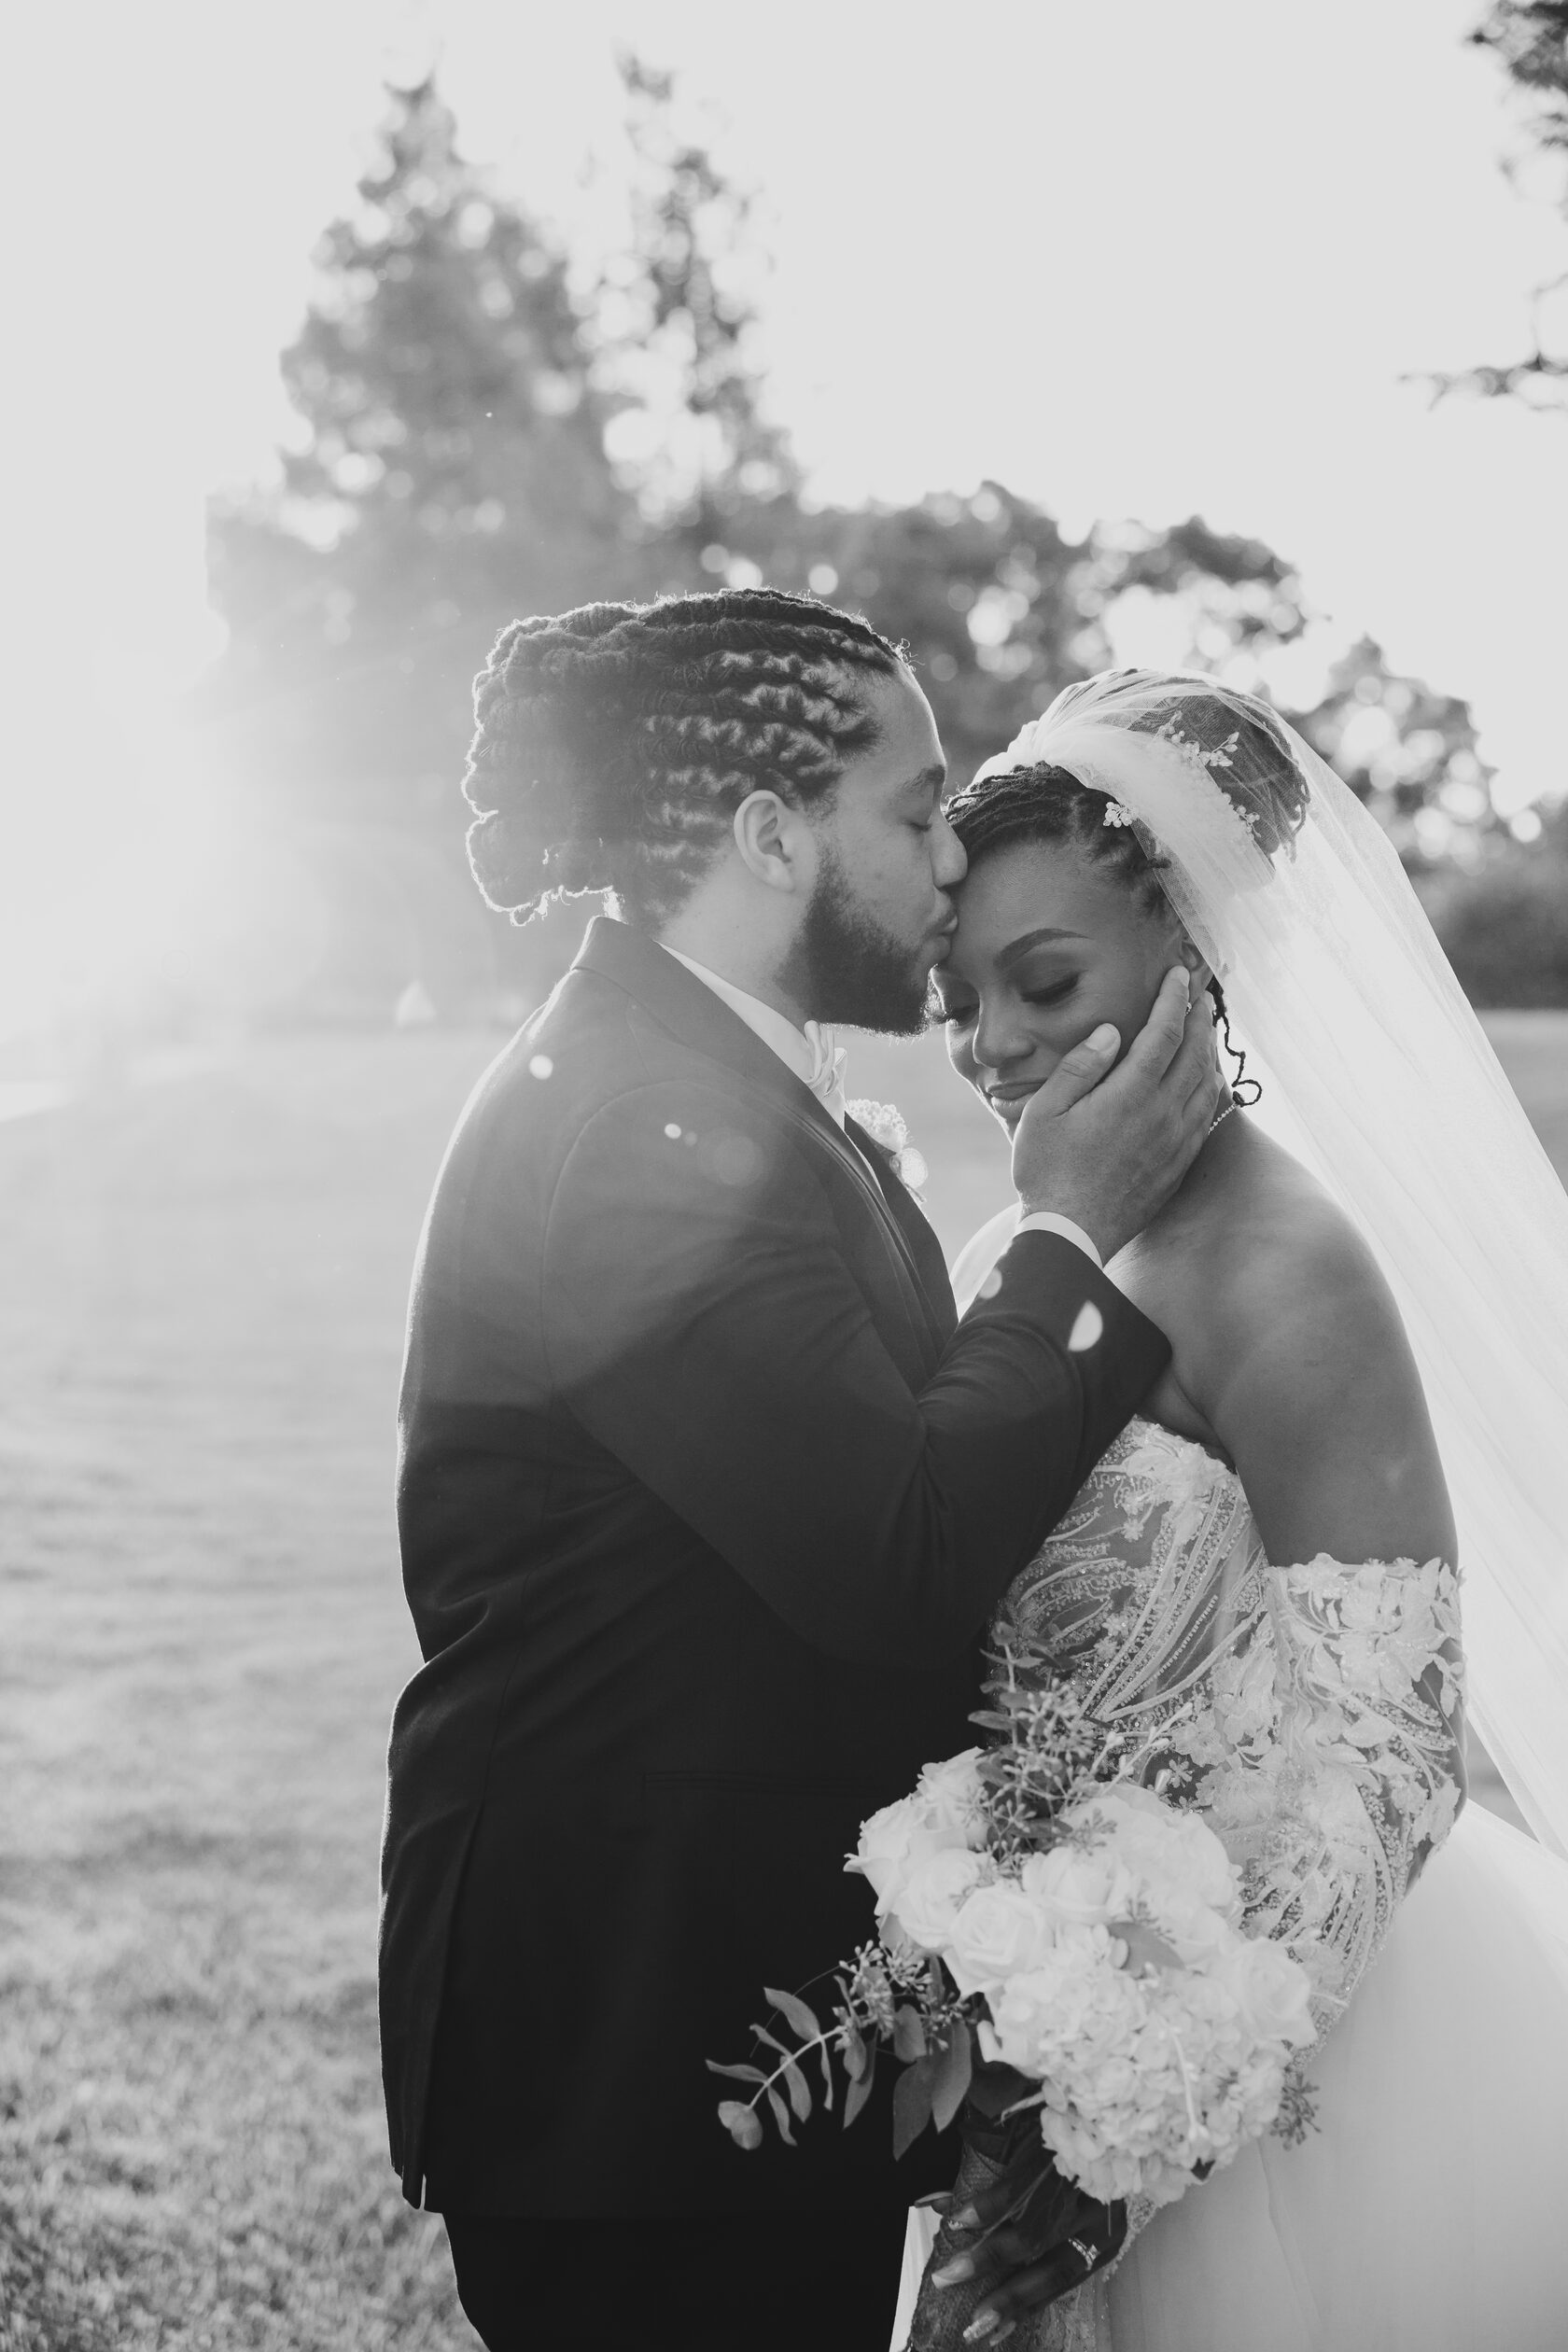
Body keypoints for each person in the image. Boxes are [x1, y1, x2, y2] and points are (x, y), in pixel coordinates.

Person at [377, 594, 1222, 2351]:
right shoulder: (642, 1125)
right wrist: (1072, 1229)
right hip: (635, 2053)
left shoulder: (713, 1080)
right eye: (913, 813)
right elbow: (900, 1548)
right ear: (771, 839)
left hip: (728, 2024)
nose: (950, 857)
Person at [901, 669, 1568, 2351]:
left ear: (1200, 953)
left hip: (1244, 2076)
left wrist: (1127, 2116)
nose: (992, 1043)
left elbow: (1398, 1755)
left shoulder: (1288, 1271)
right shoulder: (1020, 1253)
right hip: (1012, 2016)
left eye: (1046, 981)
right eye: (959, 996)